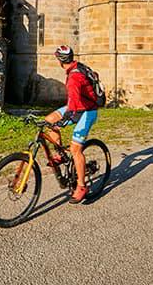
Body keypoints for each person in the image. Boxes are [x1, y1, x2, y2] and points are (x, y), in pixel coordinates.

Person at [43, 45, 99, 204]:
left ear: (59, 61)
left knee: (75, 150)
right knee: (48, 121)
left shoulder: (74, 78)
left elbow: (73, 106)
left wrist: (62, 122)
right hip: (77, 106)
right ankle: (60, 154)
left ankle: (81, 186)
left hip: (87, 111)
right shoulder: (77, 67)